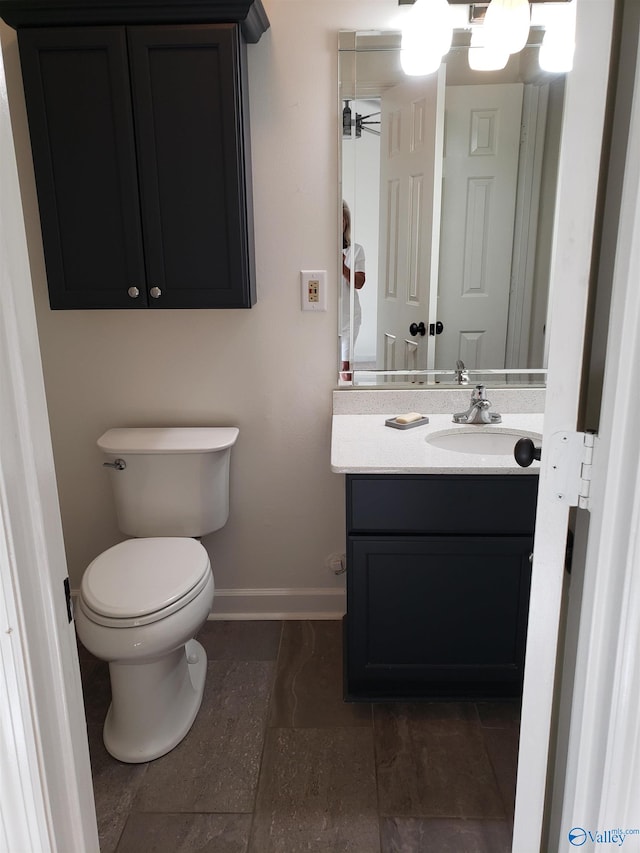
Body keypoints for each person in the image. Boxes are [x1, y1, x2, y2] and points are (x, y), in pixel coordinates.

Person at [341, 201, 366, 380]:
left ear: (346, 222)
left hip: (349, 318)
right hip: (326, 319)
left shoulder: (356, 251)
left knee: (345, 368)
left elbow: (359, 283)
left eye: (341, 220)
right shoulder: (318, 250)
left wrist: (341, 265)